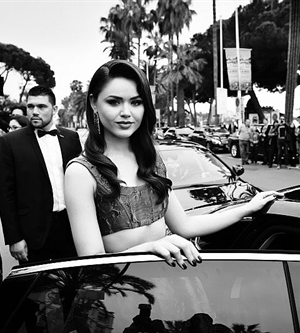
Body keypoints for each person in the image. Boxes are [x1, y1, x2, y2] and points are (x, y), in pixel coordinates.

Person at [64, 60, 281, 268]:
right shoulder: (81, 172)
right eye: (113, 101)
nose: (126, 113)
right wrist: (148, 249)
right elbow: (91, 264)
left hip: (171, 283)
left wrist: (247, 208)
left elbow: (185, 226)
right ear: (94, 103)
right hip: (120, 295)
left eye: (136, 102)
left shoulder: (151, 160)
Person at [0, 85, 82, 264]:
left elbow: (81, 183)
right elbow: (5, 194)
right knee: (37, 289)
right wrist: (14, 238)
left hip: (70, 228)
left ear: (54, 109)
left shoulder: (71, 139)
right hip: (33, 232)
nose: (34, 111)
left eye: (41, 107)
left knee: (70, 285)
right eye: (30, 106)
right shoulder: (10, 142)